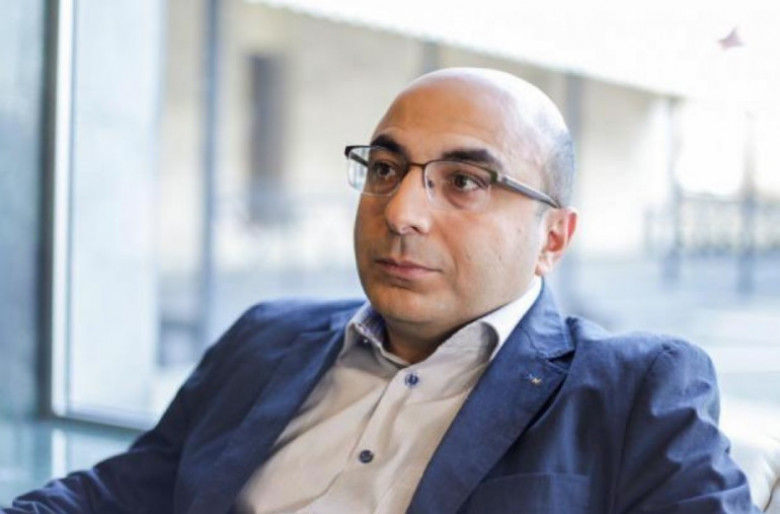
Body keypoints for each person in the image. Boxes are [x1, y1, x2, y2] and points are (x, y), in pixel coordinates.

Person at [7, 68, 758, 514]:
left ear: (553, 238)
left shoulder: (634, 389)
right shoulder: (266, 336)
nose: (400, 213)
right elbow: (116, 497)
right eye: (385, 169)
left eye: (464, 181)